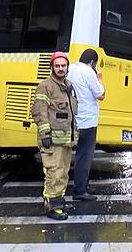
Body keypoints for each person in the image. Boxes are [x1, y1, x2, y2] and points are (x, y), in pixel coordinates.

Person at [31, 51, 78, 220]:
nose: (60, 68)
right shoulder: (45, 86)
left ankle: (59, 201)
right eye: (57, 66)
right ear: (52, 67)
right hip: (52, 140)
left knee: (63, 173)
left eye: (63, 65)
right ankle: (52, 207)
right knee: (54, 173)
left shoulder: (67, 86)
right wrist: (45, 134)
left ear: (67, 67)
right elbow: (39, 111)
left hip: (65, 139)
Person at [68, 48, 105, 202]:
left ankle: (79, 186)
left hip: (73, 119)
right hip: (88, 121)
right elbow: (100, 95)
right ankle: (80, 190)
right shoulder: (89, 72)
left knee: (68, 155)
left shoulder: (70, 69)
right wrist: (100, 78)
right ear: (92, 62)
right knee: (84, 155)